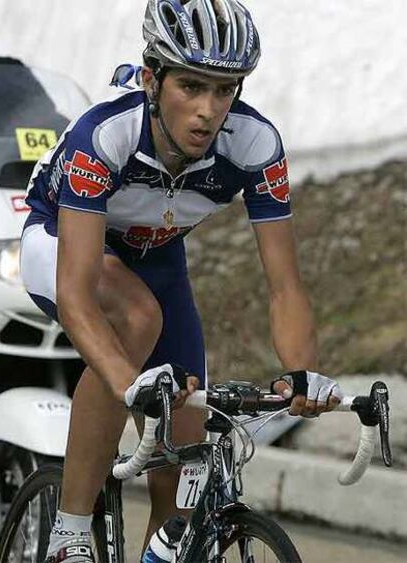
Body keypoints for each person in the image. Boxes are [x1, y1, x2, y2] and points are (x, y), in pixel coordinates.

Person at [20, 0, 343, 561]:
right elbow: (76, 296)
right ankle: (70, 528)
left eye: (225, 90)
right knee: (136, 319)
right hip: (63, 242)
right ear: (152, 78)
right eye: (190, 86)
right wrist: (131, 382)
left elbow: (285, 286)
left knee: (186, 455)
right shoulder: (107, 133)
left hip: (157, 261)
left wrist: (303, 374)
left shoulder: (255, 145)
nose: (207, 110)